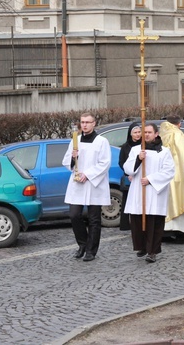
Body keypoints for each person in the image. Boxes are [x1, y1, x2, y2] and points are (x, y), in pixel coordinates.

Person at [62, 112, 111, 262]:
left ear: (94, 123)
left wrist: (88, 174)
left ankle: (91, 250)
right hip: (77, 183)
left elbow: (105, 163)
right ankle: (82, 244)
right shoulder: (75, 140)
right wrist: (73, 157)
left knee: (94, 219)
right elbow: (66, 161)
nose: (84, 125)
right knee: (74, 215)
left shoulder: (101, 141)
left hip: (94, 183)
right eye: (82, 122)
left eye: (87, 122)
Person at [123, 123, 175, 262]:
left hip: (155, 191)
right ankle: (141, 246)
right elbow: (127, 168)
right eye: (144, 132)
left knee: (153, 223)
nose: (146, 135)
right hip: (138, 190)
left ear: (156, 134)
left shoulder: (164, 151)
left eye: (149, 132)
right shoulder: (135, 150)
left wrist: (151, 179)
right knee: (137, 221)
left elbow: (169, 171)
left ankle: (152, 251)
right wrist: (138, 159)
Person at [159, 116, 184, 243]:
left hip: (165, 174)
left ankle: (165, 231)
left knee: (168, 202)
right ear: (179, 124)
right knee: (180, 198)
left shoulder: (162, 133)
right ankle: (180, 232)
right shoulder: (178, 134)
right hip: (178, 173)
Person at [117, 122, 141, 231]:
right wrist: (129, 172)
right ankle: (126, 224)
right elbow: (121, 162)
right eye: (135, 132)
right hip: (129, 176)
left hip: (141, 176)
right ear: (130, 134)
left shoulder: (144, 145)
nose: (137, 134)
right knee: (127, 200)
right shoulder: (125, 147)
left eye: (139, 132)